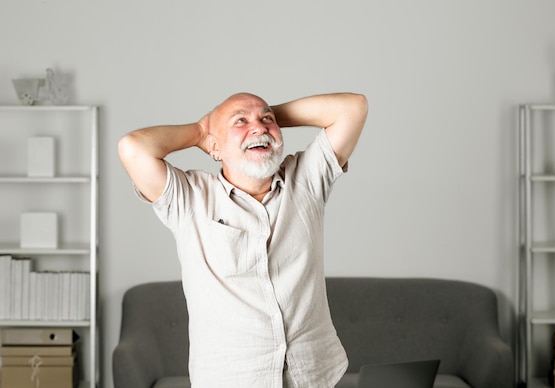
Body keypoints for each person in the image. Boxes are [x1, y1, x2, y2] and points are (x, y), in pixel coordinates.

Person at [118, 92, 368, 387]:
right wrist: (203, 130)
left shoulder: (306, 181)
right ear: (214, 146)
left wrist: (264, 118)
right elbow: (132, 148)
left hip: (313, 377)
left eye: (267, 121)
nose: (260, 128)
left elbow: (353, 108)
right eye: (241, 121)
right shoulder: (190, 198)